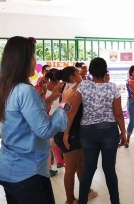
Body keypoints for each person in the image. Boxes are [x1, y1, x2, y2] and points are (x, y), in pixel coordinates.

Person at [0, 36, 77, 203]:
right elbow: (45, 130)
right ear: (23, 60)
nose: (35, 61)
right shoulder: (25, 90)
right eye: (33, 57)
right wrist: (65, 103)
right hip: (27, 173)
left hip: (6, 168)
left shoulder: (2, 88)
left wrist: (51, 98)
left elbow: (25, 115)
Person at [69, 57, 126, 204]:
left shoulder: (83, 87)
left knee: (88, 168)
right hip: (109, 130)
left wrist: (66, 131)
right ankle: (115, 201)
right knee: (109, 169)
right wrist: (124, 132)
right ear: (105, 71)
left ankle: (82, 201)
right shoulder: (112, 87)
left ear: (91, 71)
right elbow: (118, 113)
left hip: (87, 131)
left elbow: (73, 110)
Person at [54, 66, 98, 204]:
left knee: (81, 164)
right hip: (69, 132)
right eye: (78, 74)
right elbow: (68, 111)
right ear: (73, 77)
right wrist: (66, 133)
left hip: (73, 132)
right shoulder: (72, 91)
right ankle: (69, 199)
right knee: (71, 168)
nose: (81, 75)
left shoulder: (69, 88)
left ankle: (86, 190)